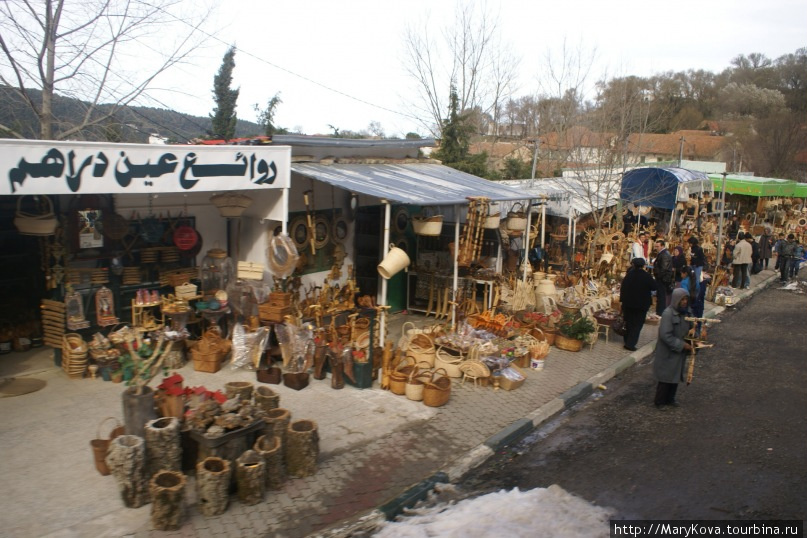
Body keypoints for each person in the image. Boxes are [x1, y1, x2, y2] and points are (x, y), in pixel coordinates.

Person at [652, 288, 693, 408]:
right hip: (668, 353)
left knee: (675, 377)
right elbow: (665, 335)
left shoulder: (687, 313)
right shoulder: (668, 314)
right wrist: (682, 345)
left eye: (686, 299)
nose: (685, 302)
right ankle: (660, 401)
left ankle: (670, 399)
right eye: (682, 299)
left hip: (678, 353)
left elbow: (691, 328)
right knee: (665, 378)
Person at [619, 257, 656, 351]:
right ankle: (630, 344)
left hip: (628, 304)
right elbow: (654, 287)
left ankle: (627, 340)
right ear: (643, 266)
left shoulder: (629, 275)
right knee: (637, 324)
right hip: (641, 305)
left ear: (633, 265)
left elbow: (623, 289)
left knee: (628, 322)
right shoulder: (646, 276)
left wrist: (622, 302)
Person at [652, 239, 674, 316]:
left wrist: (658, 276)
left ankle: (660, 312)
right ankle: (659, 311)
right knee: (660, 295)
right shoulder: (662, 254)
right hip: (661, 278)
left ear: (662, 246)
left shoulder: (665, 255)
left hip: (663, 279)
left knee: (661, 296)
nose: (656, 248)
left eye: (657, 246)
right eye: (655, 246)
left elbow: (664, 269)